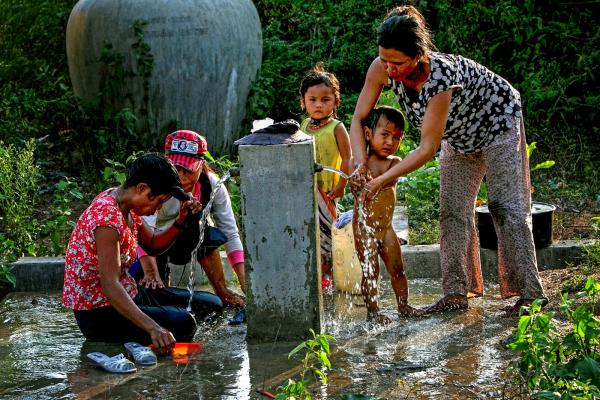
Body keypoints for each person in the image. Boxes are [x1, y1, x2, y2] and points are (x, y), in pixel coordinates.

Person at [348, 5, 546, 315]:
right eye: (384, 59)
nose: (389, 69)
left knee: (505, 207)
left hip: (498, 122)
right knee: (452, 211)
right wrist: (360, 163)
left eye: (397, 62)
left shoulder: (440, 78)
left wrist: (382, 180)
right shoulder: (380, 68)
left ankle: (531, 295)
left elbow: (426, 148)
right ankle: (456, 293)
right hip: (459, 135)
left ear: (418, 55)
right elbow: (359, 117)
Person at [62, 153, 223, 349]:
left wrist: (181, 220)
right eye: (158, 201)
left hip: (130, 293)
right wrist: (153, 328)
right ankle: (148, 342)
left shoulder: (125, 205)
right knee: (185, 323)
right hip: (100, 313)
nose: (157, 209)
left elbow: (153, 245)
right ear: (142, 188)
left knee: (211, 305)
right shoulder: (106, 220)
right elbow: (110, 286)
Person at [132, 130, 246, 307]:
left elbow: (230, 233)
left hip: (188, 240)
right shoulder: (155, 186)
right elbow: (143, 232)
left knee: (207, 233)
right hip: (153, 245)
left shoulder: (212, 185)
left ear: (201, 165)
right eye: (176, 168)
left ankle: (222, 291)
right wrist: (150, 271)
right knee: (155, 294)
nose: (181, 176)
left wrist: (244, 280)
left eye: (188, 169)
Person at [351, 106, 421, 323]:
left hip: (387, 229)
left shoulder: (394, 163)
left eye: (397, 137)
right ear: (368, 134)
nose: (391, 142)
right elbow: (354, 187)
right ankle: (373, 313)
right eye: (385, 135)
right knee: (370, 273)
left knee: (398, 270)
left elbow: (390, 180)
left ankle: (404, 305)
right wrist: (356, 177)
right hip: (365, 230)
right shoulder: (360, 164)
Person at [299, 64, 352, 288]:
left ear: (335, 102)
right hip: (305, 191)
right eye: (313, 100)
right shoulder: (302, 126)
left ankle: (328, 276)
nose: (319, 104)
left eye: (325, 99)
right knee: (310, 234)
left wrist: (342, 184)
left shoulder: (336, 127)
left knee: (327, 236)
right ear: (303, 102)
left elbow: (348, 158)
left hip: (328, 192)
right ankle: (317, 275)